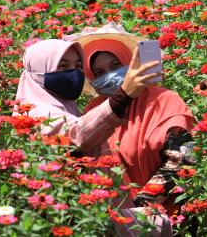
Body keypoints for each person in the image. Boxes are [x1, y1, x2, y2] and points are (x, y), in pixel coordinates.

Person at [67, 23, 196, 214]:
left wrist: (138, 208)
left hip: (164, 216)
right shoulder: (96, 108)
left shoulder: (165, 100)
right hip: (113, 218)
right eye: (99, 72)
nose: (109, 75)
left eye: (115, 66)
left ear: (130, 63)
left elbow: (180, 160)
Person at [15, 39, 160, 156]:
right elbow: (75, 135)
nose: (73, 73)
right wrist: (123, 96)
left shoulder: (69, 109)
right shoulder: (31, 113)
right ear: (39, 72)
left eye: (78, 65)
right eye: (63, 66)